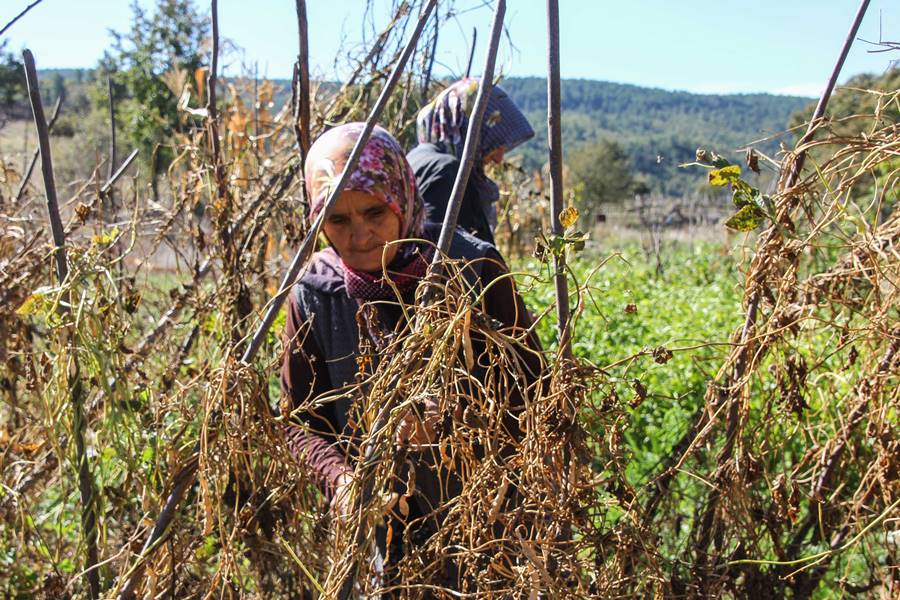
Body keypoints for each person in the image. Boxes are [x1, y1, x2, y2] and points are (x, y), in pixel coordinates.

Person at [280, 123, 542, 591]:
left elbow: (535, 388)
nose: (359, 235)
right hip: (386, 531)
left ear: (401, 198)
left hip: (489, 521)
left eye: (374, 211)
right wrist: (340, 481)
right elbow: (300, 420)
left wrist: (457, 422)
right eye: (337, 220)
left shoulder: (470, 269)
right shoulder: (314, 294)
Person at [407, 78, 535, 246]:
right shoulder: (446, 173)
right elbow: (454, 260)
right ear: (469, 130)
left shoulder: (415, 158)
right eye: (494, 142)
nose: (499, 159)